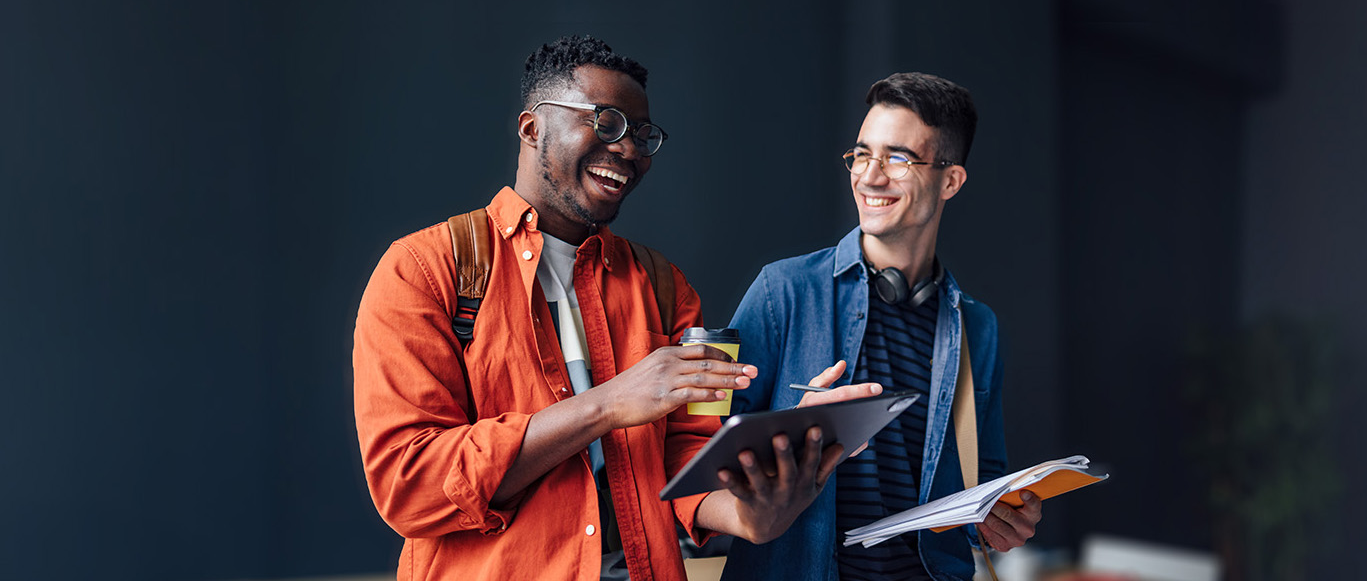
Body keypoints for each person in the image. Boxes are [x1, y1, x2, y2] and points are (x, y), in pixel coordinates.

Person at [351, 36, 861, 581]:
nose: (630, 150)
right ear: (531, 129)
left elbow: (687, 457)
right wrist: (609, 404)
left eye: (643, 135)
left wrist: (757, 508)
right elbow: (409, 486)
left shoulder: (667, 288)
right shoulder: (423, 270)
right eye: (608, 123)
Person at [719, 72, 1042, 580]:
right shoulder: (782, 290)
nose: (869, 176)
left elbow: (985, 481)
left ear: (950, 180)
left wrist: (1006, 518)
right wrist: (793, 429)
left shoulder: (978, 327)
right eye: (861, 154)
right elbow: (703, 453)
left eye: (898, 158)